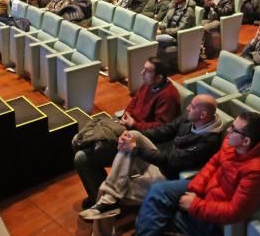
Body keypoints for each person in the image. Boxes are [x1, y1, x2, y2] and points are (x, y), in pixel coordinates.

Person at [79, 94, 224, 221]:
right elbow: (165, 131)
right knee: (134, 135)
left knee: (110, 192)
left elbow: (174, 160)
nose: (187, 109)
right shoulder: (190, 119)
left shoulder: (209, 141)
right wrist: (130, 138)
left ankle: (107, 205)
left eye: (192, 107)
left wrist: (136, 148)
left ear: (203, 115)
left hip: (171, 176)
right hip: (161, 162)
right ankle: (110, 200)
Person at [135, 111, 260, 236]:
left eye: (233, 130)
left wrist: (195, 205)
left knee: (158, 215)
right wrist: (195, 189)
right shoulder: (231, 143)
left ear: (246, 141)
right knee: (158, 191)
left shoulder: (258, 171)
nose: (228, 132)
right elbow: (213, 163)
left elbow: (234, 211)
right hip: (206, 190)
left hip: (216, 214)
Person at [73, 57, 181, 206]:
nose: (142, 73)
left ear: (159, 77)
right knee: (82, 146)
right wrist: (127, 115)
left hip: (139, 144)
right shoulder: (148, 85)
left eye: (147, 71)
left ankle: (104, 201)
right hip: (126, 130)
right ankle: (99, 196)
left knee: (82, 157)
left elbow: (161, 128)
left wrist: (134, 124)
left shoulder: (168, 96)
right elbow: (134, 102)